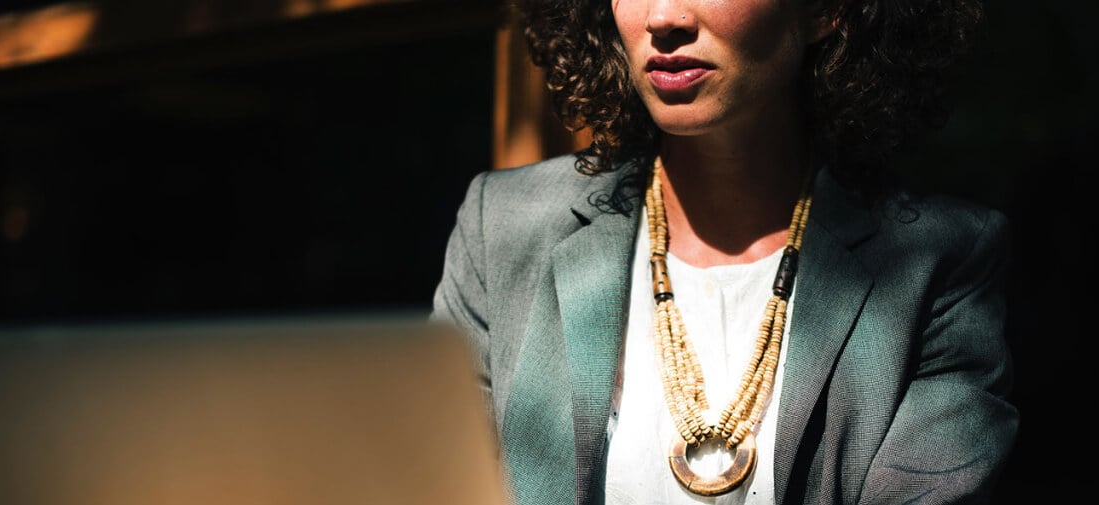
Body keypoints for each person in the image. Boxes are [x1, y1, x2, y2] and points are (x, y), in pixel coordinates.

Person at [433, 0, 1017, 504]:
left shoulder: (938, 263)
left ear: (822, 10)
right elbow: (437, 482)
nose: (664, 17)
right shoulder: (503, 227)